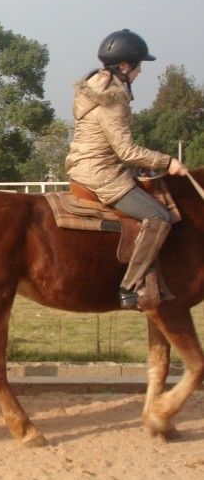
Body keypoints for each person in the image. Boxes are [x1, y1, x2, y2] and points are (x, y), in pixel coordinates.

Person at [65, 29, 189, 309]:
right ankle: (129, 286)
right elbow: (126, 150)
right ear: (123, 65)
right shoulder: (112, 98)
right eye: (138, 66)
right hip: (102, 175)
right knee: (159, 216)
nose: (139, 72)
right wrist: (168, 162)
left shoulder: (96, 87)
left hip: (84, 167)